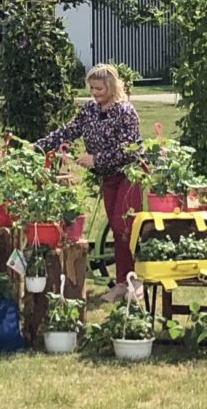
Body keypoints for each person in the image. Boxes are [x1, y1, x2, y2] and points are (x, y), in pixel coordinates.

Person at [36, 64, 142, 302]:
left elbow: (129, 150)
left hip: (130, 174)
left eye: (100, 88)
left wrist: (96, 159)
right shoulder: (90, 110)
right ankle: (124, 282)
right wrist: (39, 146)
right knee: (117, 228)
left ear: (112, 87)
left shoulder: (125, 111)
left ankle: (130, 282)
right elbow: (69, 131)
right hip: (109, 176)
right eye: (92, 88)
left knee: (122, 227)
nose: (95, 93)